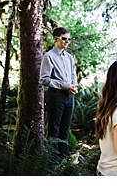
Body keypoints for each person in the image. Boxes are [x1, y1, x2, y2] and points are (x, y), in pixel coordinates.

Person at [40, 27, 78, 158]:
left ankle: (65, 158)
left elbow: (73, 74)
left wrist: (74, 86)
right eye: (64, 39)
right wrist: (64, 86)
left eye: (68, 39)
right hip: (56, 96)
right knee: (54, 130)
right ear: (55, 39)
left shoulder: (69, 57)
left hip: (69, 96)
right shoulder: (48, 56)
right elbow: (44, 79)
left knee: (65, 130)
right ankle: (53, 160)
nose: (67, 41)